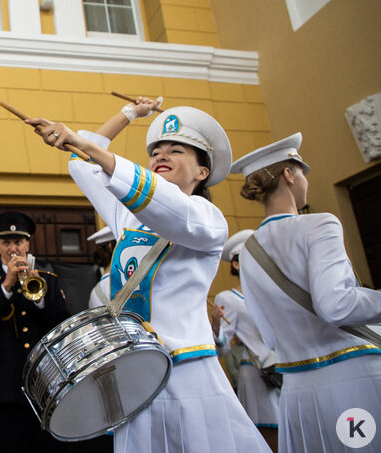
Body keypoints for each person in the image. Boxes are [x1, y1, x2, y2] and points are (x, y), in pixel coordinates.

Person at [28, 99, 270, 451]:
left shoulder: (207, 217)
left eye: (176, 150)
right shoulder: (130, 215)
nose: (161, 155)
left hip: (188, 369)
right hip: (135, 373)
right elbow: (82, 166)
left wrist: (80, 141)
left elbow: (165, 204)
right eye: (155, 150)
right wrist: (129, 114)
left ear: (203, 172)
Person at [232, 133, 381, 453]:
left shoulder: (247, 251)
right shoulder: (320, 224)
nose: (304, 181)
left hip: (298, 388)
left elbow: (269, 336)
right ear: (289, 174)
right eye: (302, 173)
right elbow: (336, 306)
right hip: (351, 378)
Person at [0, 211, 69, 453]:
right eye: (6, 243)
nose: (13, 248)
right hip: (3, 389)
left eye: (18, 242)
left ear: (28, 244)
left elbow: (62, 325)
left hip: (45, 386)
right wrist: (6, 286)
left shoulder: (49, 281)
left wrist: (40, 298)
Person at [211, 230, 280, 451]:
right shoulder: (227, 299)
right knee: (270, 436)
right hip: (259, 375)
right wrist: (215, 324)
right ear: (236, 265)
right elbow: (221, 349)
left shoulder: (273, 292)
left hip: (285, 370)